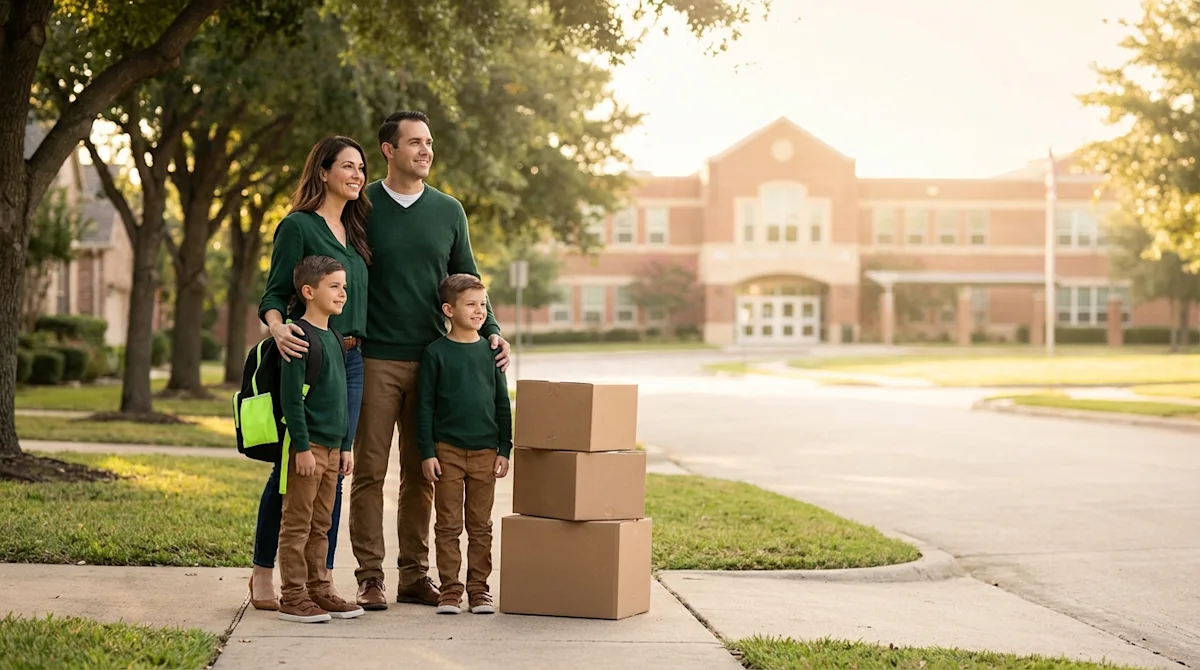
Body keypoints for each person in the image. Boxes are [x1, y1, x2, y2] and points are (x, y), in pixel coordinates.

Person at [349, 111, 510, 611]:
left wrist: (492, 331)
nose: (425, 150)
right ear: (388, 150)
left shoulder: (448, 211)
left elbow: (468, 277)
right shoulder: (361, 204)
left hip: (433, 360)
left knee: (424, 473)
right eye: (414, 142)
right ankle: (370, 576)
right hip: (375, 357)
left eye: (429, 142)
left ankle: (414, 575)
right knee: (370, 472)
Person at [249, 136, 372, 610]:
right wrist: (279, 331)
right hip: (309, 356)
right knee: (291, 468)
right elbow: (273, 295)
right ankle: (265, 575)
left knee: (333, 473)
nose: (357, 175)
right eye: (347, 166)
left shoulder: (358, 230)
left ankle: (320, 581)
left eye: (361, 167)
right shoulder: (298, 227)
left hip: (352, 360)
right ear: (322, 172)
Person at [417, 274, 513, 615]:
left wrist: (505, 448)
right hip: (448, 453)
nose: (479, 311)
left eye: (483, 304)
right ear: (449, 309)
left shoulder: (491, 353)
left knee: (480, 525)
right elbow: (424, 407)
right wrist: (427, 452)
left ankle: (479, 589)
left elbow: (503, 402)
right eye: (470, 304)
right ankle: (450, 590)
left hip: (486, 453)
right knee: (447, 524)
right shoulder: (435, 354)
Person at [276, 255, 363, 623]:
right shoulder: (299, 336)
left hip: (332, 448)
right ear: (309, 292)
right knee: (297, 523)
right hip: (308, 448)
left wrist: (345, 446)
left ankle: (319, 589)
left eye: (344, 286)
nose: (343, 293)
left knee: (321, 524)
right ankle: (293, 596)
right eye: (334, 286)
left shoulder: (334, 338)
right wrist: (302, 446)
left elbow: (342, 398)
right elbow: (291, 398)